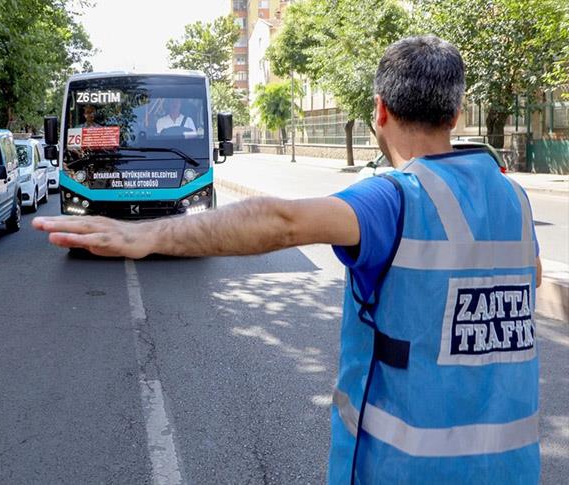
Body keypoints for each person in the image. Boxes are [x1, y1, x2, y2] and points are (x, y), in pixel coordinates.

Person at [33, 36, 542, 484]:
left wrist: (144, 235)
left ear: (379, 111)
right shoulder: (514, 199)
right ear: (455, 115)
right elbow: (524, 280)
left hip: (406, 471)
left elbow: (282, 222)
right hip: (515, 469)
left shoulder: (394, 200)